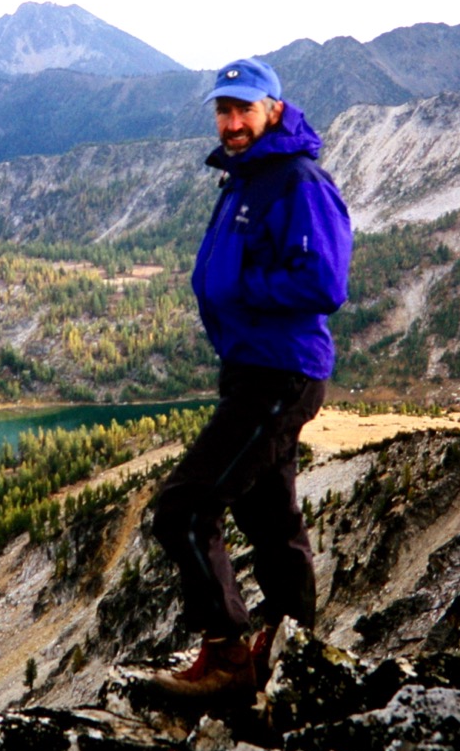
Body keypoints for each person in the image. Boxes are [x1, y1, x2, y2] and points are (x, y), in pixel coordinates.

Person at [150, 57, 352, 696]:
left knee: (183, 509)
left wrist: (243, 285)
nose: (231, 122)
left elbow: (325, 282)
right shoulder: (245, 178)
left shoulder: (296, 181)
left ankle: (230, 658)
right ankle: (292, 656)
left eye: (244, 109)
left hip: (279, 373)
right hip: (251, 369)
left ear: (273, 109)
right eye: (223, 110)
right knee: (271, 522)